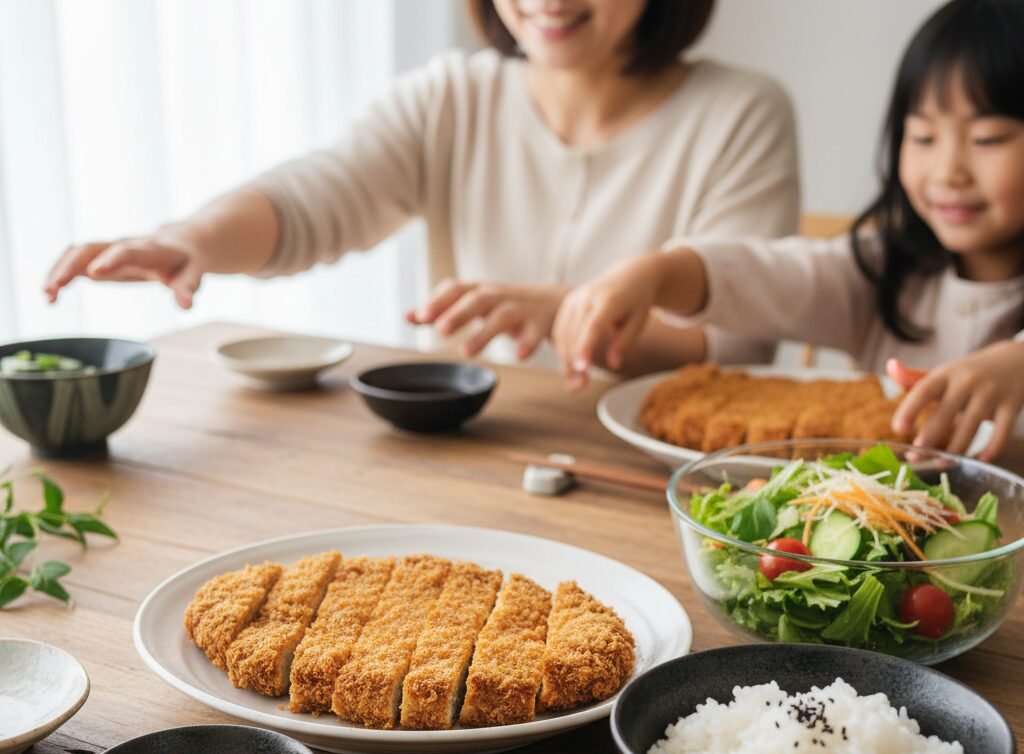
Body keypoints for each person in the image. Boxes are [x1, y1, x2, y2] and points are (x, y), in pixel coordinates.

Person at [43, 0, 799, 374]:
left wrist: (573, 315)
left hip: (648, 481)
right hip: (465, 455)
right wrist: (191, 239)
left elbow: (740, 342)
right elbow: (321, 195)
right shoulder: (450, 96)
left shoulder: (742, 112)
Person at [553, 0, 1024, 460]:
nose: (948, 171)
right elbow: (769, 275)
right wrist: (657, 272)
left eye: (988, 139)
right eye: (922, 137)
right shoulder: (882, 268)